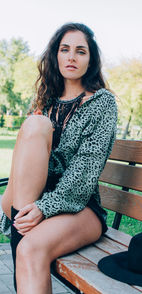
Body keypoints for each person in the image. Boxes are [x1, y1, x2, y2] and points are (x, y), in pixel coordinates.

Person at [0, 22, 117, 293]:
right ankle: (22, 218)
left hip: (79, 207)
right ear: (56, 56)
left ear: (91, 59)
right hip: (29, 201)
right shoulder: (46, 102)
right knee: (34, 124)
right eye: (65, 49)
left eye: (81, 51)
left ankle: (21, 222)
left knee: (29, 246)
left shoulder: (102, 103)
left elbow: (85, 171)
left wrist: (44, 208)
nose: (72, 57)